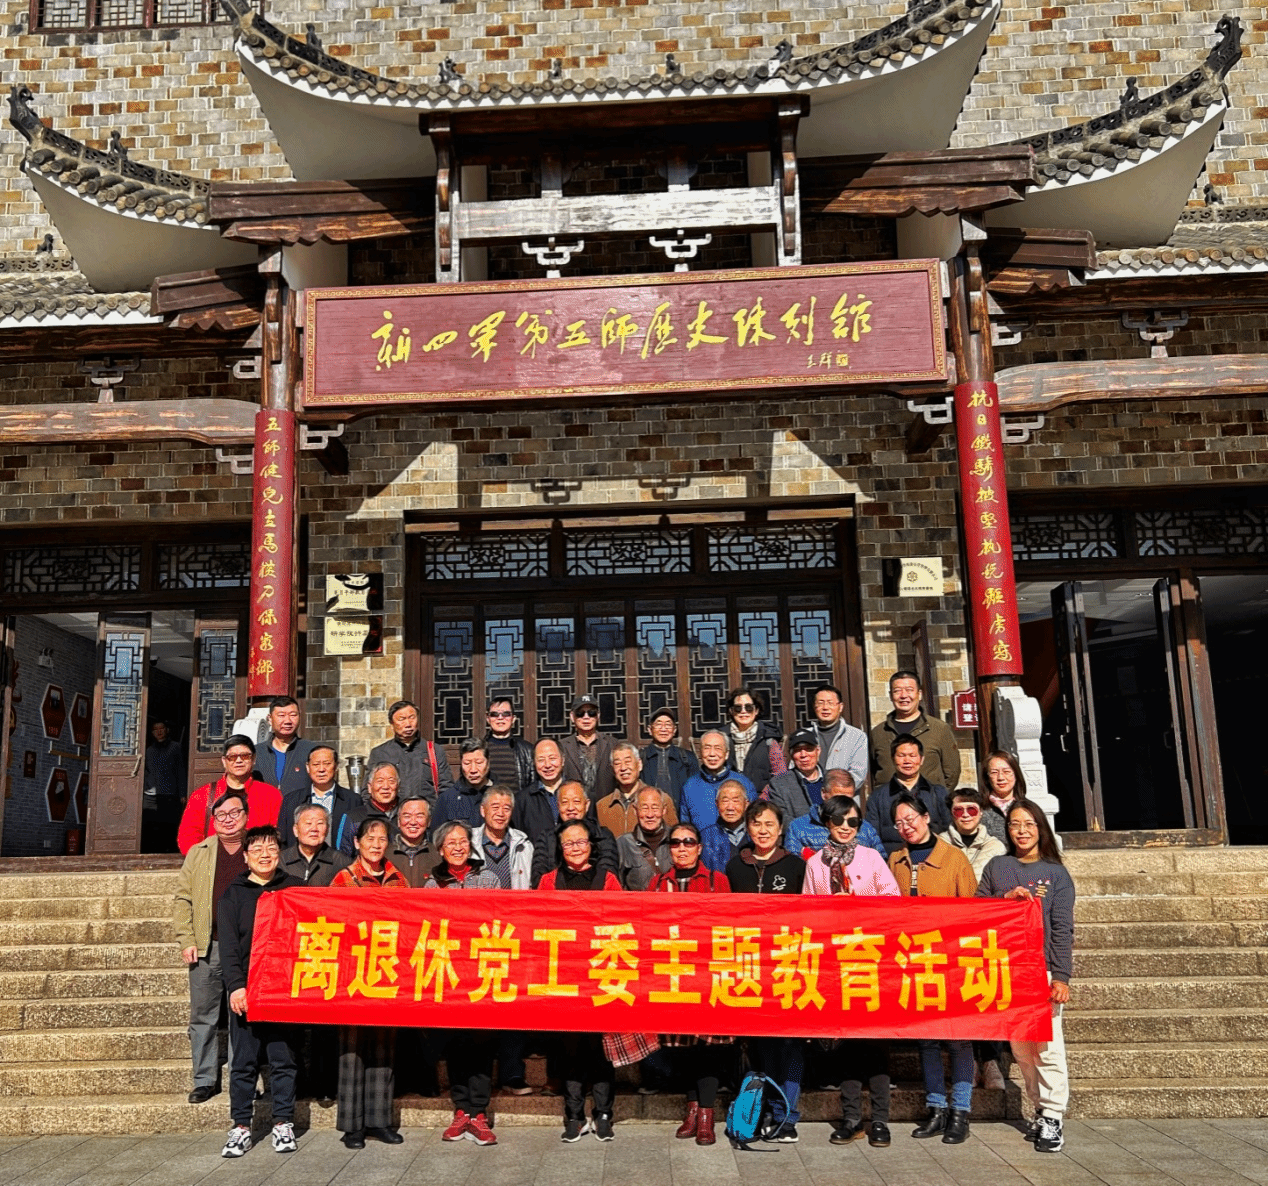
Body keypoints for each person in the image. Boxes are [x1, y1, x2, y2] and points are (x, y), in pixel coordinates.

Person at [976, 800, 1075, 1154]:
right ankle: (1039, 1108)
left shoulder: (1056, 874)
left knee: (1047, 1047)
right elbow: (977, 911)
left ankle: (1053, 1114)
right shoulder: (998, 866)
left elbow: (1062, 929)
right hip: (1008, 970)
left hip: (1042, 970)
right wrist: (1005, 900)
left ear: (1040, 828)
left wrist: (1061, 976)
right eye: (1015, 824)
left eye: (1029, 824)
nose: (1022, 830)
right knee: (1021, 1048)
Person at [802, 795, 901, 1149]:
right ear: (827, 823)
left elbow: (893, 898)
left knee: (875, 1045)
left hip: (870, 959)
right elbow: (807, 913)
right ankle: (851, 1118)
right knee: (844, 1044)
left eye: (853, 822)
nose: (846, 827)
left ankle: (880, 1120)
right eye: (839, 821)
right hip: (835, 963)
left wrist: (857, 903)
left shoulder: (871, 857)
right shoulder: (815, 863)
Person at [888, 793, 978, 1145]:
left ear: (926, 817)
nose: (906, 826)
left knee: (958, 1039)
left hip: (950, 960)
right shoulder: (895, 859)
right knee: (926, 1039)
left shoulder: (954, 859)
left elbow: (972, 912)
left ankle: (961, 1112)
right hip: (913, 962)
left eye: (911, 818)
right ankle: (936, 1108)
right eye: (899, 822)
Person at [216, 825, 303, 1158]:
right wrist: (236, 986)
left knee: (283, 1059)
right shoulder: (233, 894)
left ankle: (283, 1122)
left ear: (279, 853)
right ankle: (241, 1126)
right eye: (257, 849)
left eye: (271, 848)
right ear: (245, 856)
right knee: (244, 1063)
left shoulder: (296, 889)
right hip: (248, 990)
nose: (265, 855)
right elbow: (228, 947)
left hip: (282, 990)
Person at [726, 800, 805, 1142]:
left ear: (781, 829)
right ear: (748, 828)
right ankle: (761, 1111)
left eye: (769, 824)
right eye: (756, 824)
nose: (763, 830)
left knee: (791, 1043)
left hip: (788, 964)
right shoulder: (735, 866)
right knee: (761, 1045)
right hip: (750, 968)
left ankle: (787, 1116)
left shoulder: (796, 866)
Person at [649, 822, 730, 1146]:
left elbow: (727, 923)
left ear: (699, 847)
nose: (682, 848)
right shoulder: (658, 883)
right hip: (674, 973)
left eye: (688, 842)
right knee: (681, 1046)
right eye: (676, 843)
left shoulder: (716, 880)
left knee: (707, 1045)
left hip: (708, 974)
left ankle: (707, 1114)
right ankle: (692, 1109)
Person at [329, 817, 409, 1149]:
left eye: (382, 839)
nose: (376, 845)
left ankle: (380, 1121)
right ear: (357, 843)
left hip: (387, 973)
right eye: (370, 838)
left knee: (383, 1048)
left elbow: (409, 922)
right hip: (352, 974)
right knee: (351, 1050)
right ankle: (352, 1126)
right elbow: (331, 921)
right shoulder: (343, 879)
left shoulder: (398, 879)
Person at [538, 820, 619, 1140]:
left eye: (581, 842)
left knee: (600, 1048)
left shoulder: (607, 879)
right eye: (568, 843)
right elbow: (540, 922)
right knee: (569, 1049)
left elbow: (618, 920)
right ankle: (573, 1114)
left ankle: (603, 1112)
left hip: (600, 973)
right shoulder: (549, 880)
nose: (575, 848)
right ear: (560, 848)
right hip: (565, 974)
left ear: (591, 845)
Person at [424, 821, 500, 1147]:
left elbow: (500, 920)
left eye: (463, 841)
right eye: (450, 843)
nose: (457, 847)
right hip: (450, 977)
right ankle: (461, 1109)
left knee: (481, 1043)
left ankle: (479, 1112)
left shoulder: (489, 879)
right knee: (455, 1044)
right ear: (441, 850)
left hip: (482, 973)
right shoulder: (432, 885)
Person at [173, 789, 249, 1105]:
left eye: (234, 813)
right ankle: (204, 1080)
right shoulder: (199, 852)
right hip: (208, 945)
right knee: (203, 1016)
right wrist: (186, 938)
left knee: (242, 1016)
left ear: (246, 816)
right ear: (213, 821)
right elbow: (183, 898)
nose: (228, 820)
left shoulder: (256, 849)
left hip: (246, 949)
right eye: (221, 815)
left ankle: (241, 1079)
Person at [177, 736, 280, 854]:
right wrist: (201, 858)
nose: (239, 761)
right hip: (213, 859)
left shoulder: (270, 794)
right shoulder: (202, 795)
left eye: (245, 756)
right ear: (224, 761)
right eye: (232, 757)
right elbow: (188, 835)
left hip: (256, 860)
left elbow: (277, 833)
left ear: (253, 759)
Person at [870, 670, 961, 790]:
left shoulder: (939, 729)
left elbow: (952, 772)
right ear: (891, 695)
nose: (903, 695)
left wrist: (936, 796)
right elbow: (873, 771)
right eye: (897, 691)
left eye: (909, 690)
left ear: (920, 694)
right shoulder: (879, 732)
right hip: (889, 799)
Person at [865, 735, 951, 855]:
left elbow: (950, 832)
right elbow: (872, 838)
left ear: (921, 759)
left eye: (912, 755)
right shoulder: (877, 797)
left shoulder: (939, 793)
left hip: (935, 859)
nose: (907, 761)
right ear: (893, 759)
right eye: (901, 756)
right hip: (894, 860)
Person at [530, 781, 619, 887]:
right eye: (564, 802)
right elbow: (539, 877)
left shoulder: (603, 836)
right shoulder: (546, 837)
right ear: (558, 806)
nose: (570, 808)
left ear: (587, 805)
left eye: (576, 801)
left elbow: (608, 875)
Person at [786, 769, 887, 861]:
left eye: (848, 799)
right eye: (837, 798)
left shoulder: (865, 828)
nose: (842, 804)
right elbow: (792, 865)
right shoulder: (799, 828)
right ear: (824, 793)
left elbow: (880, 863)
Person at [368, 699, 455, 804]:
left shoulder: (434, 751)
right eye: (402, 719)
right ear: (392, 724)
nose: (408, 724)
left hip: (427, 811)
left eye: (412, 718)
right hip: (393, 812)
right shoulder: (380, 753)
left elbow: (446, 787)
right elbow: (368, 791)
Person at [278, 745, 360, 857]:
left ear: (336, 766)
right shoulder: (291, 800)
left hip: (340, 863)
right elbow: (283, 839)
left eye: (327, 764)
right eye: (316, 764)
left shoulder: (352, 800)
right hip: (300, 863)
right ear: (308, 767)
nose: (321, 769)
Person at [595, 743, 677, 838]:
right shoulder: (602, 806)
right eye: (617, 764)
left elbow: (674, 837)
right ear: (612, 769)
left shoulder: (661, 799)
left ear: (639, 764)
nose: (623, 768)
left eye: (628, 762)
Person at [679, 730, 755, 829]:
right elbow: (685, 825)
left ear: (727, 754)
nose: (712, 754)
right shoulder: (690, 786)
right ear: (700, 753)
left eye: (718, 748)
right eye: (707, 748)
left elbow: (753, 820)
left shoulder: (743, 783)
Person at [254, 696, 319, 799]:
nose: (288, 721)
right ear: (270, 719)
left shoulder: (312, 750)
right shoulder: (256, 752)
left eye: (293, 715)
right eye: (281, 715)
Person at [724, 685, 786, 794]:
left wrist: (764, 798)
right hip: (730, 800)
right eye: (738, 708)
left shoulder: (768, 739)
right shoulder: (722, 738)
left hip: (762, 800)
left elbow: (780, 775)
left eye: (748, 707)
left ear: (756, 710)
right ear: (731, 711)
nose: (743, 711)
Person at [765, 730, 829, 833]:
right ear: (791, 755)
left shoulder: (832, 779)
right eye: (798, 750)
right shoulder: (779, 784)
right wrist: (813, 832)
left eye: (809, 749)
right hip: (799, 839)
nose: (803, 755)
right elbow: (781, 818)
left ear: (818, 751)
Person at [808, 684, 869, 789]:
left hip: (842, 797)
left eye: (830, 703)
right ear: (814, 707)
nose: (825, 707)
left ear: (840, 707)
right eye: (820, 703)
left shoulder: (856, 736)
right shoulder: (806, 735)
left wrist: (832, 792)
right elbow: (795, 771)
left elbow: (858, 775)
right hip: (810, 795)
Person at [472, 786, 532, 889]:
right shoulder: (469, 842)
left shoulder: (523, 846)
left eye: (506, 809)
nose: (500, 814)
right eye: (495, 808)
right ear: (483, 810)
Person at [615, 784, 674, 890]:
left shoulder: (676, 840)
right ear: (635, 810)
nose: (650, 815)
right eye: (644, 808)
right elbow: (617, 886)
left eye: (655, 808)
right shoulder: (623, 843)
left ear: (664, 810)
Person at [559, 692, 616, 801]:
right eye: (580, 713)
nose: (586, 717)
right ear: (572, 717)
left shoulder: (612, 744)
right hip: (574, 807)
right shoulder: (562, 746)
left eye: (591, 713)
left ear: (598, 716)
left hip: (606, 805)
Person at [639, 708, 698, 810]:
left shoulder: (687, 757)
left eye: (668, 724)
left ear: (674, 730)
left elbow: (695, 792)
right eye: (658, 724)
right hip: (649, 815)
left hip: (679, 815)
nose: (663, 729)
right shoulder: (641, 758)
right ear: (649, 730)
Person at [280, 802, 351, 886]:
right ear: (296, 830)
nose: (314, 829)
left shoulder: (341, 862)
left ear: (327, 830)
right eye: (308, 823)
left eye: (320, 823)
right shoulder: (280, 861)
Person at [142, 719, 185, 853]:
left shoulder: (175, 747)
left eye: (161, 729)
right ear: (152, 733)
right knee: (152, 824)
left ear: (167, 730)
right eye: (155, 730)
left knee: (170, 824)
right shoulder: (149, 750)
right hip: (151, 794)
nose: (159, 732)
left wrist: (182, 793)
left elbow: (181, 771)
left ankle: (169, 851)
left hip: (170, 792)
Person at [433, 738, 496, 829]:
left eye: (479, 763)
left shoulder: (501, 796)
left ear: (488, 762)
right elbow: (436, 834)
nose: (473, 770)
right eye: (467, 763)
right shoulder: (447, 799)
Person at [512, 737, 566, 841]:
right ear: (534, 763)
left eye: (552, 758)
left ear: (562, 760)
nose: (547, 765)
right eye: (541, 760)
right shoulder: (522, 800)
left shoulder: (579, 793)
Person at [699, 778, 753, 873]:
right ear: (717, 804)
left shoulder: (755, 834)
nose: (730, 807)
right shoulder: (705, 837)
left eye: (736, 801)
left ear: (746, 804)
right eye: (725, 801)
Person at [483, 696, 534, 792]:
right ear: (488, 718)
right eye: (494, 714)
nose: (500, 718)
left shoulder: (527, 750)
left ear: (513, 719)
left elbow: (533, 785)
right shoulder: (480, 748)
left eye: (506, 714)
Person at [388, 795, 441, 885]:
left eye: (419, 816)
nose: (413, 822)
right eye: (407, 816)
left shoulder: (438, 855)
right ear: (398, 821)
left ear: (428, 821)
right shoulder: (385, 854)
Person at [980, 750, 1027, 842]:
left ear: (1016, 774)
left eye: (1006, 771)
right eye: (994, 772)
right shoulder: (980, 810)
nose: (1001, 778)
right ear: (987, 778)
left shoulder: (1028, 808)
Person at [361, 762, 403, 828]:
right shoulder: (355, 818)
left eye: (391, 781)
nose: (386, 787)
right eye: (380, 781)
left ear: (398, 786)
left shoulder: (407, 815)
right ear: (369, 787)